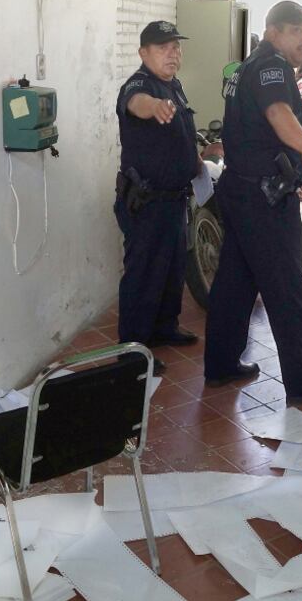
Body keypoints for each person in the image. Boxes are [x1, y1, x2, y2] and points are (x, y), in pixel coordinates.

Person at [204, 0, 302, 400]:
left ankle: (220, 364)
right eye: (296, 30)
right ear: (272, 31)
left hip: (240, 190)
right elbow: (278, 114)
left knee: (234, 282)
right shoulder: (273, 66)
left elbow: (277, 120)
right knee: (287, 289)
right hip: (264, 197)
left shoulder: (248, 66)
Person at [114, 20, 202, 375]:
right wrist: (154, 107)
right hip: (147, 202)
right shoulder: (139, 85)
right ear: (143, 53)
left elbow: (178, 135)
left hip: (174, 198)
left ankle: (165, 327)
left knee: (172, 269)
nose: (173, 53)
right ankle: (132, 351)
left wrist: (198, 157)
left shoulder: (174, 85)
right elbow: (137, 103)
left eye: (176, 47)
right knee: (143, 275)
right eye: (164, 47)